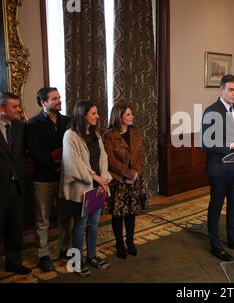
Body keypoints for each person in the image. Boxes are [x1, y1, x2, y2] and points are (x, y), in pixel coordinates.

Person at [60, 100, 112, 277]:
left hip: (97, 187)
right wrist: (95, 177)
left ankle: (91, 256)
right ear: (83, 115)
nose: (98, 116)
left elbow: (103, 157)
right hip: (82, 188)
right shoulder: (71, 135)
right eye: (94, 113)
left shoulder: (96, 134)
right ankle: (76, 261)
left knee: (94, 223)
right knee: (80, 224)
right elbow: (74, 163)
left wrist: (104, 177)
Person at [202, 74, 234, 262]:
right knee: (216, 207)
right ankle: (215, 245)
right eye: (231, 89)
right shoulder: (210, 111)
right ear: (221, 90)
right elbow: (206, 143)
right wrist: (232, 145)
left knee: (233, 206)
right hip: (218, 169)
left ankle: (232, 240)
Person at [25, 87, 72, 272]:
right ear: (43, 102)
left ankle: (65, 248)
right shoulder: (33, 124)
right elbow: (34, 151)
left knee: (65, 216)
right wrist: (55, 164)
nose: (59, 100)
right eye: (55, 98)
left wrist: (65, 166)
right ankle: (43, 254)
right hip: (43, 179)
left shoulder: (66, 121)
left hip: (65, 177)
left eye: (59, 97)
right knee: (42, 219)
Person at [103, 103, 148, 259]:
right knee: (118, 214)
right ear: (119, 116)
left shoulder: (136, 132)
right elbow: (110, 160)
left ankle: (130, 241)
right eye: (128, 114)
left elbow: (141, 155)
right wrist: (127, 174)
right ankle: (119, 243)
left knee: (131, 212)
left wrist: (135, 173)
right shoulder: (109, 135)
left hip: (135, 179)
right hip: (118, 180)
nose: (132, 117)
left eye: (131, 114)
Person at [0, 92, 31, 275]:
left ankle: (13, 262)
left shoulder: (20, 127)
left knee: (15, 227)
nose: (19, 110)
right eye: (15, 107)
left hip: (17, 186)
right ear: (2, 109)